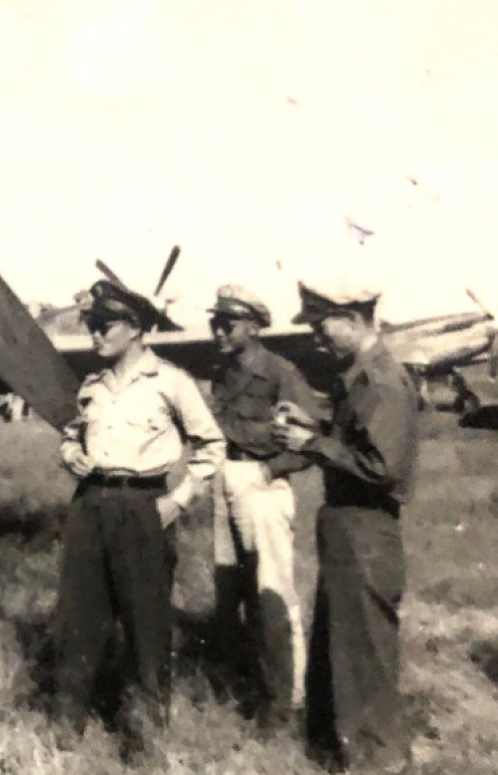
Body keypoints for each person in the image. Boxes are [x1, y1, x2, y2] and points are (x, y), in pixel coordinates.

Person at [53, 278, 227, 738]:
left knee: (147, 626)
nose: (94, 335)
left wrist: (179, 500)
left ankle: (148, 739)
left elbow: (211, 446)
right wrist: (72, 455)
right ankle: (65, 732)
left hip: (144, 505)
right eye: (91, 325)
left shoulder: (170, 381)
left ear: (133, 328)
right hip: (90, 503)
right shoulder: (92, 385)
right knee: (78, 619)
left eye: (104, 326)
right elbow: (72, 435)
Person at [272, 280, 419, 772]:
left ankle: (379, 761)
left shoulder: (381, 381)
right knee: (342, 647)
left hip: (366, 529)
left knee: (365, 656)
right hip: (347, 529)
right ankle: (339, 753)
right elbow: (354, 441)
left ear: (354, 320)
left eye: (322, 324)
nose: (316, 335)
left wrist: (311, 444)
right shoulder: (357, 377)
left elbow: (382, 467)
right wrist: (313, 428)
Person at [207, 284, 322, 727]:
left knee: (273, 593)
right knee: (230, 590)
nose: (218, 330)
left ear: (254, 327)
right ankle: (249, 683)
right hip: (228, 477)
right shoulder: (224, 372)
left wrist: (270, 471)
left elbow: (310, 443)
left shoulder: (280, 373)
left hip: (264, 485)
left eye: (228, 323)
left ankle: (287, 699)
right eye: (215, 322)